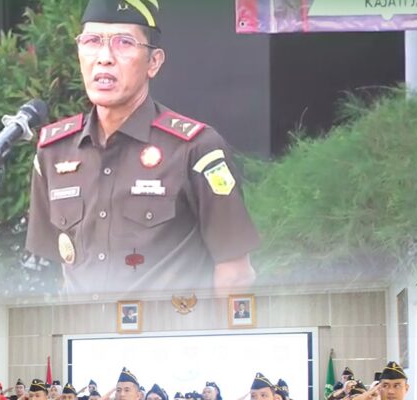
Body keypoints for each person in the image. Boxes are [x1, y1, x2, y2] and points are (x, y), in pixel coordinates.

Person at [25, 0, 259, 295]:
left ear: (154, 62)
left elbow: (235, 275)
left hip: (170, 323)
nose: (104, 58)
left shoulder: (195, 149)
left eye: (124, 43)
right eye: (92, 41)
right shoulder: (54, 152)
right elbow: (60, 269)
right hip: (84, 325)